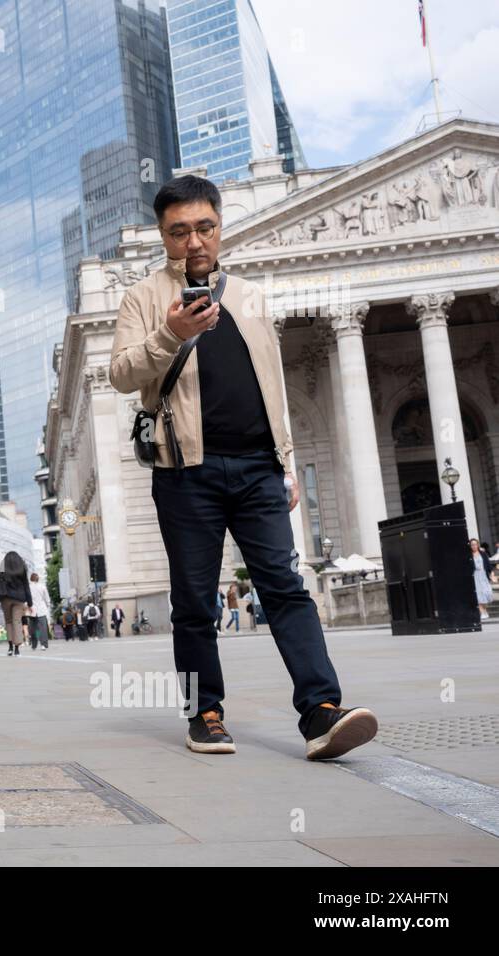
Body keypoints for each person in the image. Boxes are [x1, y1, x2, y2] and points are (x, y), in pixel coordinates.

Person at [110, 173, 377, 760]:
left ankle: (321, 712)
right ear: (164, 237)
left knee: (286, 587)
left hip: (258, 469)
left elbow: (272, 384)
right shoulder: (143, 298)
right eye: (179, 232)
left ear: (219, 228)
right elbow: (122, 373)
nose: (194, 242)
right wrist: (171, 334)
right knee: (195, 602)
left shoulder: (250, 296)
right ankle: (203, 713)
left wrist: (285, 463)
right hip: (185, 472)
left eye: (204, 227)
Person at [0, 550, 32, 656]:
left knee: (8, 622)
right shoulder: (22, 567)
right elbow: (26, 584)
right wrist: (30, 602)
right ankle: (17, 649)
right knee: (17, 622)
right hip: (19, 599)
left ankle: (10, 647)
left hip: (6, 598)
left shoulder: (3, 566)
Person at [470, 538, 492, 621]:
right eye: (472, 545)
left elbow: (488, 564)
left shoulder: (483, 553)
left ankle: (485, 610)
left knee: (486, 593)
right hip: (475, 576)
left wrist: (491, 574)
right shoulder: (469, 555)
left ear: (478, 545)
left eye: (475, 544)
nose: (474, 546)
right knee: (478, 594)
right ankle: (482, 612)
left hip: (483, 575)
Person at [28, 573, 52, 650]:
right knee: (43, 628)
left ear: (31, 579)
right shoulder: (42, 586)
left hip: (32, 610)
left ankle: (34, 645)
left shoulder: (28, 587)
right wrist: (48, 605)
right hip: (42, 609)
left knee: (32, 628)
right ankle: (43, 644)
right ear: (38, 579)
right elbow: (47, 598)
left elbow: (26, 599)